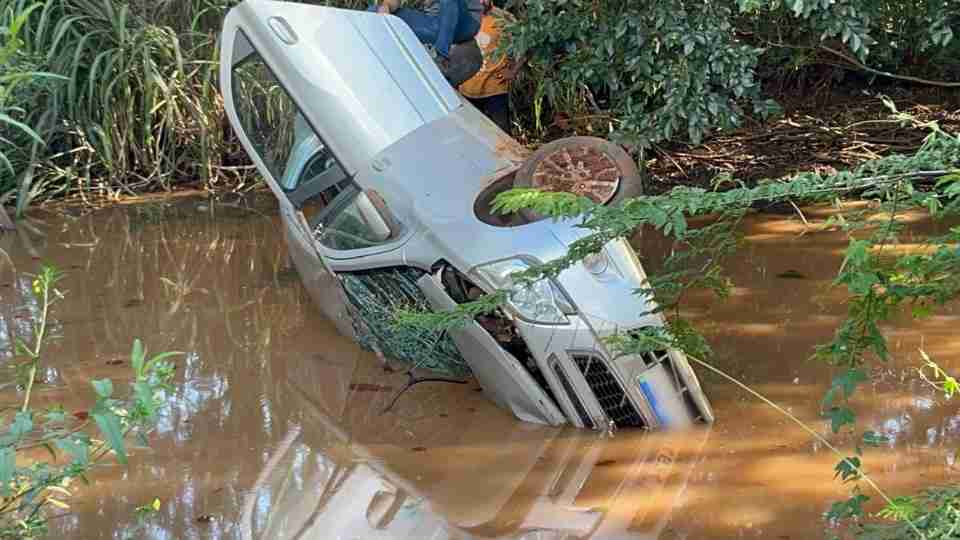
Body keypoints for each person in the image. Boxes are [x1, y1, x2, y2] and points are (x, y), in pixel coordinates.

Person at [370, 0, 484, 78]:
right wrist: (386, 7)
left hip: (466, 23)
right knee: (374, 11)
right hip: (433, 23)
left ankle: (441, 57)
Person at [458, 5, 519, 132]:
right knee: (472, 134)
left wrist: (514, 70)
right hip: (466, 89)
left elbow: (526, 44)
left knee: (502, 134)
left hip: (495, 88)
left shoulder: (504, 18)